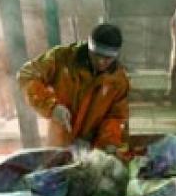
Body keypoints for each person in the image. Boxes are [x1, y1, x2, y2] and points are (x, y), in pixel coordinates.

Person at [17, 23, 130, 152]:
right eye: (96, 55)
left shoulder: (119, 81)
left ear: (115, 56)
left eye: (107, 58)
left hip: (92, 148)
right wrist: (51, 107)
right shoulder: (61, 58)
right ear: (89, 47)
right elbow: (27, 74)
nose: (100, 61)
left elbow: (116, 116)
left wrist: (108, 142)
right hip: (58, 141)